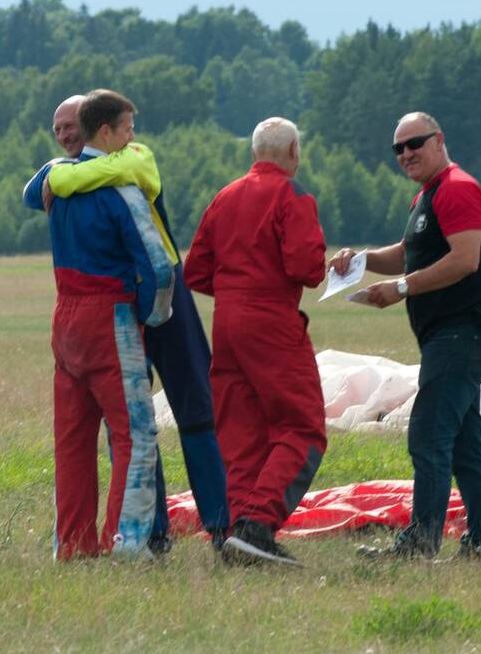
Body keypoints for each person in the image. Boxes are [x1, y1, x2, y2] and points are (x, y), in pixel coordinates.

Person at [26, 92, 230, 551]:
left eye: (71, 125)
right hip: (122, 306)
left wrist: (63, 174)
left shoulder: (131, 158)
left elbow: (112, 174)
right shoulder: (65, 173)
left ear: (92, 126)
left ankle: (220, 522)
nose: (64, 134)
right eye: (57, 129)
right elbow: (28, 194)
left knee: (194, 406)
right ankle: (148, 533)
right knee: (129, 426)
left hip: (161, 298)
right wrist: (62, 172)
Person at [328, 112, 481, 559]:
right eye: (398, 148)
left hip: (461, 333)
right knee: (464, 442)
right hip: (447, 335)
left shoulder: (458, 189)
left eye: (415, 143)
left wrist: (402, 288)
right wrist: (362, 261)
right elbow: (410, 254)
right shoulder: (428, 196)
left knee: (427, 435)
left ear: (439, 140)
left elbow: (464, 259)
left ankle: (421, 542)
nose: (406, 153)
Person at [24, 89, 173, 559]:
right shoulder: (122, 191)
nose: (133, 139)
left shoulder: (57, 182)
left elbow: (33, 192)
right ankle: (127, 540)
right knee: (135, 434)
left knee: (72, 439)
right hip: (111, 318)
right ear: (105, 132)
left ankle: (71, 544)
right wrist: (153, 315)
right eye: (127, 129)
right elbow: (159, 266)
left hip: (64, 320)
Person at [183, 117, 327, 567]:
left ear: (253, 154)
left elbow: (196, 272)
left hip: (226, 322)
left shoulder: (224, 196)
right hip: (272, 321)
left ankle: (233, 534)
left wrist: (235, 292)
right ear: (293, 153)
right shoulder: (292, 195)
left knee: (240, 433)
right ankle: (258, 525)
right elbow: (307, 267)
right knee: (302, 427)